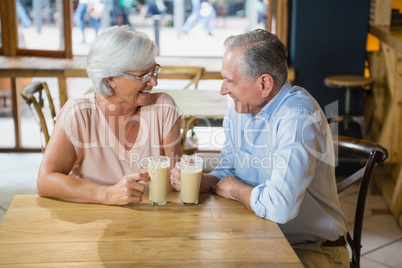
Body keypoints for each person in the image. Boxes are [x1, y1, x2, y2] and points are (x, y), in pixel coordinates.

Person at [170, 29, 349, 267]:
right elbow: (229, 169)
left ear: (264, 84)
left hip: (310, 249)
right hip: (262, 236)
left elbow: (280, 208)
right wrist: (207, 181)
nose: (223, 89)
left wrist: (234, 189)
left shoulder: (296, 119)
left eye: (230, 81)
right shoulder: (240, 106)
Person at [37, 25, 182, 205]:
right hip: (92, 226)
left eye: (154, 71)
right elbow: (45, 181)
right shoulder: (79, 113)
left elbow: (171, 185)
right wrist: (107, 194)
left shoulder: (164, 108)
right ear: (110, 78)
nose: (154, 81)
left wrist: (185, 179)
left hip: (151, 224)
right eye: (143, 75)